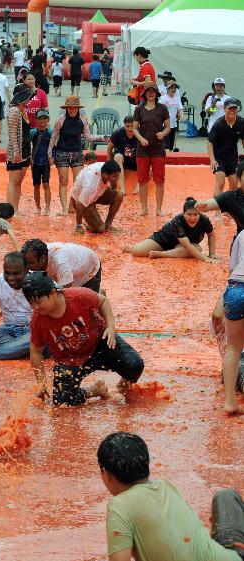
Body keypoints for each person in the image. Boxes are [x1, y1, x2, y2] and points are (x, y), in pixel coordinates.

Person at [99, 431, 244, 561]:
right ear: (147, 463)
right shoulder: (166, 486)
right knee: (226, 496)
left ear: (106, 474)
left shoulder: (119, 506)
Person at [24, 272, 144, 405]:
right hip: (70, 360)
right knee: (61, 400)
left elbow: (102, 301)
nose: (35, 307)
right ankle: (95, 390)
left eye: (39, 302)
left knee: (134, 364)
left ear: (52, 292)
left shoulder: (78, 295)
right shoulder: (37, 320)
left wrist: (110, 326)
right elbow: (36, 351)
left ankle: (124, 385)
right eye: (31, 303)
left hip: (100, 343)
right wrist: (41, 383)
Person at [124, 196, 217, 261]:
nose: (192, 218)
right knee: (136, 252)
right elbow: (187, 246)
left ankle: (162, 254)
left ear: (199, 213)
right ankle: (134, 246)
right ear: (183, 214)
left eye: (195, 214)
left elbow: (211, 234)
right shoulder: (178, 221)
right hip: (163, 241)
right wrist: (205, 258)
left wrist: (211, 254)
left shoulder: (204, 220)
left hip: (180, 246)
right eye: (189, 214)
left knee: (197, 249)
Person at [133, 83, 170, 216]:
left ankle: (158, 208)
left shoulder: (162, 108)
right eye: (148, 91)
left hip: (158, 149)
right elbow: (134, 128)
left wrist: (163, 134)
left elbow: (168, 127)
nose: (151, 93)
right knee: (142, 180)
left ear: (156, 93)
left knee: (159, 179)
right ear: (144, 94)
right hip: (142, 149)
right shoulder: (139, 109)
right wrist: (140, 139)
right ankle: (144, 208)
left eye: (153, 91)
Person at [221, 228, 244, 415]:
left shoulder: (242, 234)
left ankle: (230, 401)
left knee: (233, 348)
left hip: (235, 288)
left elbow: (232, 266)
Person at [22, 238, 102, 292]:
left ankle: (100, 295)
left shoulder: (60, 262)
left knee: (88, 305)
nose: (27, 267)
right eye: (26, 263)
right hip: (73, 265)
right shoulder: (36, 254)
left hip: (90, 267)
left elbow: (66, 292)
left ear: (42, 258)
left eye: (30, 263)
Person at [70, 159, 124, 234]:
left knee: (119, 195)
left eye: (118, 175)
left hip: (95, 194)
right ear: (105, 175)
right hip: (80, 200)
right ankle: (90, 224)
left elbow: (113, 185)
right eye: (115, 176)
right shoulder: (91, 185)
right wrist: (79, 226)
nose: (117, 178)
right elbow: (79, 204)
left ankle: (108, 225)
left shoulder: (107, 168)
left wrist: (113, 183)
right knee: (100, 229)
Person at [6, 84, 34, 211]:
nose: (30, 98)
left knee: (18, 182)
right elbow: (12, 133)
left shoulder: (23, 111)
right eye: (28, 96)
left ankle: (15, 208)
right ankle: (10, 209)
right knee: (13, 181)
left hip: (25, 150)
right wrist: (16, 152)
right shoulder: (14, 111)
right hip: (16, 152)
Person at [208, 98, 244, 196]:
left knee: (234, 186)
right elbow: (210, 142)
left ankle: (231, 210)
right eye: (229, 108)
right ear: (224, 109)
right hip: (219, 157)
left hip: (232, 157)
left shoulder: (241, 122)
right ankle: (217, 211)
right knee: (221, 182)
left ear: (237, 109)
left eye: (234, 108)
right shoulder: (218, 124)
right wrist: (212, 159)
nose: (232, 111)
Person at [107, 116, 139, 195]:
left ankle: (139, 187)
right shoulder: (117, 133)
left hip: (136, 161)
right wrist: (110, 163)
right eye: (127, 126)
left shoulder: (140, 133)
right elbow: (109, 148)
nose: (130, 129)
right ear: (124, 125)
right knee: (117, 156)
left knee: (148, 161)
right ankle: (122, 188)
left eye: (132, 126)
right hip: (123, 161)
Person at [30, 110, 52, 214]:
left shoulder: (51, 133)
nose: (42, 120)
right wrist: (30, 157)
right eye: (40, 118)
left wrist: (53, 157)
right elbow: (27, 144)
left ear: (48, 120)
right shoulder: (33, 132)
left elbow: (54, 147)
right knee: (36, 186)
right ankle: (38, 207)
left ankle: (47, 207)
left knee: (46, 184)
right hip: (35, 163)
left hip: (46, 163)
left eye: (44, 118)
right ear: (36, 120)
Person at [159, 82, 183, 152]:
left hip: (173, 123)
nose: (173, 90)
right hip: (164, 124)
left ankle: (171, 154)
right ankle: (164, 156)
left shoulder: (177, 99)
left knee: (171, 141)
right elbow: (159, 110)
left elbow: (180, 109)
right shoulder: (163, 98)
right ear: (167, 89)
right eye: (172, 88)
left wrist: (181, 116)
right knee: (165, 142)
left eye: (175, 88)